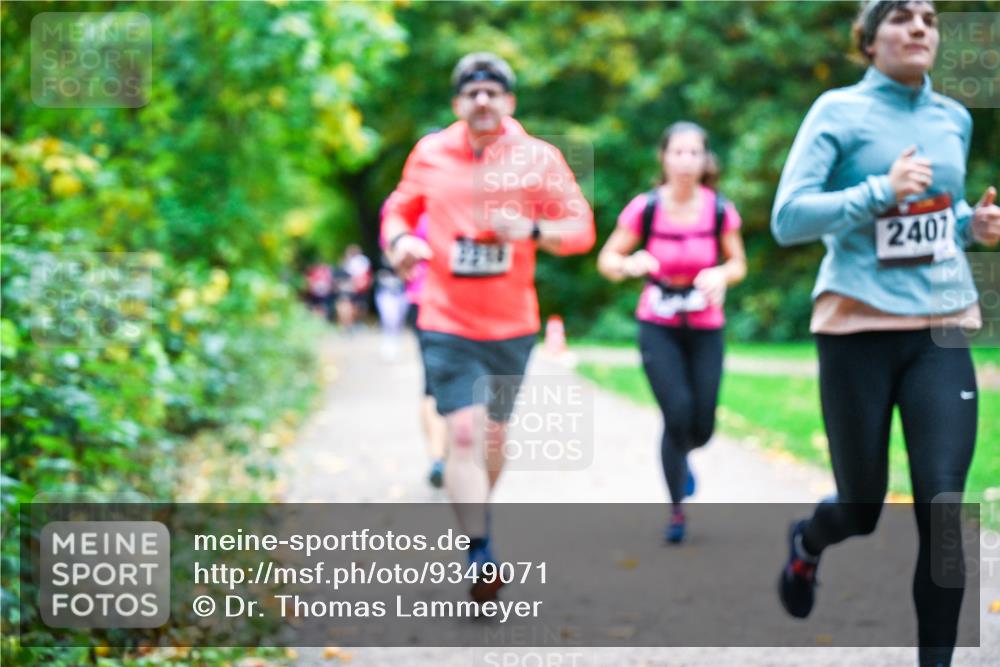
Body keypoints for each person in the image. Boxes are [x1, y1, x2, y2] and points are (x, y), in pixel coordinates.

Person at [770, 3, 1000, 665]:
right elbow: (788, 217)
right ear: (869, 41)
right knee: (861, 506)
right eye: (901, 17)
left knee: (944, 504)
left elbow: (939, 212)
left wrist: (972, 225)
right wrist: (879, 188)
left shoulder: (952, 118)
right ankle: (808, 543)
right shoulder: (837, 112)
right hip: (857, 325)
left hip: (940, 326)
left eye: (929, 17)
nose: (921, 27)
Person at [381, 52, 595, 602]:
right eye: (472, 92)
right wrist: (400, 242)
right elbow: (399, 210)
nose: (482, 100)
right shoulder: (430, 152)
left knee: (493, 438)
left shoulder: (539, 158)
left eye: (492, 92)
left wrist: (529, 229)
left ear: (509, 101)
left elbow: (581, 229)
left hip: (511, 324)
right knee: (462, 433)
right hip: (445, 317)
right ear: (457, 103)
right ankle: (478, 549)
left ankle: (478, 515)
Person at [597, 121, 746, 544]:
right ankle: (677, 507)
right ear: (663, 157)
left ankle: (683, 458)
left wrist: (721, 274)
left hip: (705, 325)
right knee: (677, 412)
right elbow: (607, 259)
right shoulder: (645, 208)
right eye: (677, 152)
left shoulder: (719, 209)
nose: (685, 161)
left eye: (694, 153)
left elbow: (738, 263)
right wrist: (630, 264)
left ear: (705, 159)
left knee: (702, 426)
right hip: (658, 324)